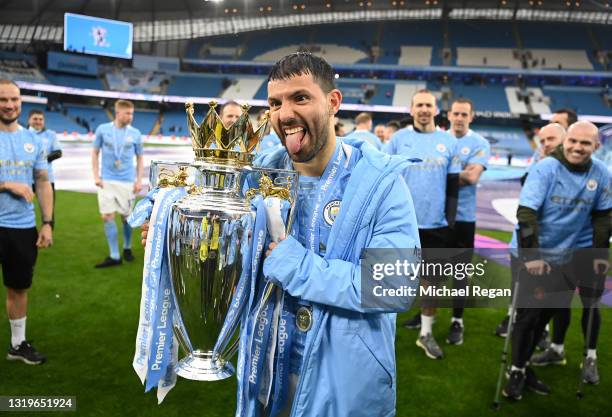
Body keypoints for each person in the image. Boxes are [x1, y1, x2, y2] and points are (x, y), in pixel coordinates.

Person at [142, 53, 421, 417]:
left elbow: (394, 287)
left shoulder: (382, 183)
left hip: (344, 387)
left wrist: (298, 266)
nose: (284, 114)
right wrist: (171, 223)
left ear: (333, 102)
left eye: (300, 98)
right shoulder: (260, 176)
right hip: (266, 376)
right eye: (275, 103)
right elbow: (218, 220)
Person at [502, 121, 611, 401]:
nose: (577, 147)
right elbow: (526, 213)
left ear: (596, 147)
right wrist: (532, 256)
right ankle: (515, 371)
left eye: (585, 143)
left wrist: (598, 254)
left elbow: (603, 215)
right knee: (528, 317)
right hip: (534, 255)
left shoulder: (602, 173)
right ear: (565, 141)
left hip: (567, 258)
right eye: (572, 141)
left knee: (545, 316)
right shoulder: (545, 168)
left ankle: (524, 367)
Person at [385, 89, 460, 359]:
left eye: (429, 105)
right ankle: (384, 333)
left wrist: (449, 222)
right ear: (411, 109)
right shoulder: (397, 140)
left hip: (436, 227)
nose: (424, 109)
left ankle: (425, 334)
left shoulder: (448, 142)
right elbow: (386, 179)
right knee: (391, 281)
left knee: (432, 284)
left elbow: (453, 186)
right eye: (419, 105)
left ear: (436, 110)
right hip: (400, 224)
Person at [495, 123, 566, 339]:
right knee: (519, 286)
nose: (545, 145)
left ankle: (542, 330)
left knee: (544, 294)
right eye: (542, 141)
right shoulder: (538, 162)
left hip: (553, 246)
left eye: (550, 140)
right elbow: (525, 188)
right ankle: (513, 317)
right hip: (524, 241)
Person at [0, 79, 53, 365]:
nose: (9, 105)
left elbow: (43, 182)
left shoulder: (35, 140)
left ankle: (17, 344)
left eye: (14, 99)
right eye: (3, 100)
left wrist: (47, 222)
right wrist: (7, 183)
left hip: (22, 227)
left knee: (19, 287)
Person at [446, 98, 490, 345]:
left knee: (460, 273)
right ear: (449, 115)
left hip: (463, 217)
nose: (460, 118)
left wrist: (438, 175)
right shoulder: (439, 140)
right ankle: (425, 315)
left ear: (471, 117)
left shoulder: (480, 143)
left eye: (465, 114)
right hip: (436, 217)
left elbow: (472, 177)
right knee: (432, 271)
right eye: (456, 113)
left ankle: (457, 320)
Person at [91, 100, 143, 268]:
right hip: (106, 180)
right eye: (127, 113)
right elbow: (94, 152)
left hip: (127, 182)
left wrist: (139, 180)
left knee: (126, 219)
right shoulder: (102, 130)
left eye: (132, 114)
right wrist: (96, 176)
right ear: (118, 113)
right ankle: (114, 256)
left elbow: (140, 158)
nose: (131, 117)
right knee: (107, 216)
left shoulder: (135, 133)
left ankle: (127, 247)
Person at [27, 109, 62, 224]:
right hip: (25, 179)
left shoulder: (50, 134)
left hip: (47, 179)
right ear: (29, 120)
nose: (38, 121)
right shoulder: (22, 133)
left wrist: (38, 160)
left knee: (48, 212)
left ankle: (47, 236)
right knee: (22, 210)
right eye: (35, 119)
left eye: (41, 119)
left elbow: (58, 153)